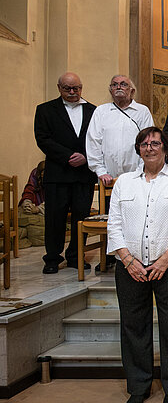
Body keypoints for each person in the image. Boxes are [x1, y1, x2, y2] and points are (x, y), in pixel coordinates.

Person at [107, 127, 168, 403]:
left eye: (155, 143)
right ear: (138, 150)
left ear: (165, 148)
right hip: (130, 267)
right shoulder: (124, 182)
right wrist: (128, 260)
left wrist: (167, 258)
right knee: (133, 326)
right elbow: (114, 223)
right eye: (144, 144)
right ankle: (138, 386)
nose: (150, 148)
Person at [34, 72, 96, 274]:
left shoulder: (94, 111)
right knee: (55, 218)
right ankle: (52, 258)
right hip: (57, 173)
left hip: (84, 174)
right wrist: (68, 156)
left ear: (81, 88)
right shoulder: (45, 109)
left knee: (81, 217)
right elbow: (43, 139)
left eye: (76, 88)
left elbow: (99, 139)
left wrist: (85, 156)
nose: (72, 92)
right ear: (59, 88)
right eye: (67, 88)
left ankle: (76, 256)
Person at [86, 75, 155, 187]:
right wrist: (100, 171)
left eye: (123, 84)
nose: (118, 87)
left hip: (138, 177)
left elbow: (149, 142)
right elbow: (93, 142)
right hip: (107, 179)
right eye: (114, 85)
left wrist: (141, 171)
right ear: (110, 91)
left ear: (132, 91)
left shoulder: (142, 111)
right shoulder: (101, 111)